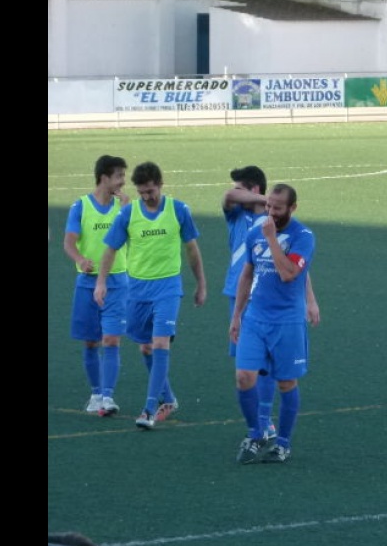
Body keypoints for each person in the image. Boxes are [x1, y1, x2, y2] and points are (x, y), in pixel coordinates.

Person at [94, 161, 208, 430]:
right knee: (145, 346)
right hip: (137, 290)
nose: (147, 197)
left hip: (168, 288)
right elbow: (110, 249)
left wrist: (201, 283)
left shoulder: (178, 210)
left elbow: (192, 249)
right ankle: (169, 399)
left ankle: (148, 409)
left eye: (151, 191)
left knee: (160, 344)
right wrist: (101, 282)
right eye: (142, 192)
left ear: (160, 184)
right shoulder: (128, 214)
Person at [222, 166, 320, 440]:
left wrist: (271, 239)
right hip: (255, 316)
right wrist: (236, 316)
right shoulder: (255, 229)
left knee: (286, 382)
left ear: (293, 207)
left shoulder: (303, 237)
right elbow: (247, 272)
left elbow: (291, 273)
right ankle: (256, 432)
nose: (271, 213)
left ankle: (282, 441)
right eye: (268, 206)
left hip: (287, 320)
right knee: (244, 376)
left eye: (277, 208)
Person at [63, 155, 130, 417]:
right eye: (119, 176)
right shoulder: (80, 206)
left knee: (111, 339)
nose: (123, 181)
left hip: (117, 281)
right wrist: (80, 259)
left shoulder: (124, 207)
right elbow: (69, 242)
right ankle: (95, 393)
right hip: (87, 283)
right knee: (91, 342)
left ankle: (108, 396)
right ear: (104, 177)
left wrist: (126, 211)